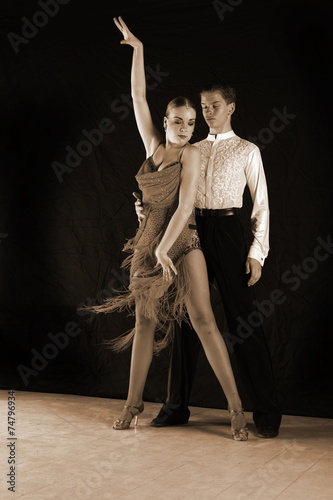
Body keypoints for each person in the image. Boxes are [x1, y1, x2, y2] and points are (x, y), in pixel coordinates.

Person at [87, 16, 248, 441]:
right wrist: (138, 50)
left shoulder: (191, 155)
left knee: (202, 318)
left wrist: (165, 250)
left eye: (191, 122)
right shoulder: (154, 148)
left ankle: (235, 408)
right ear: (165, 121)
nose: (185, 128)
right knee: (144, 322)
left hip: (183, 239)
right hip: (148, 241)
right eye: (178, 121)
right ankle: (133, 404)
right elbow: (137, 95)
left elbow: (187, 205)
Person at [136, 83, 282, 439]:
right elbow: (168, 195)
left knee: (242, 320)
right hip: (191, 229)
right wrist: (142, 207)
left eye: (215, 105)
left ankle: (265, 411)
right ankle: (176, 406)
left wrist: (256, 253)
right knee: (187, 321)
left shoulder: (247, 150)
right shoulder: (190, 149)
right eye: (204, 106)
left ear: (231, 108)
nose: (208, 112)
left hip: (230, 231)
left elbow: (260, 204)